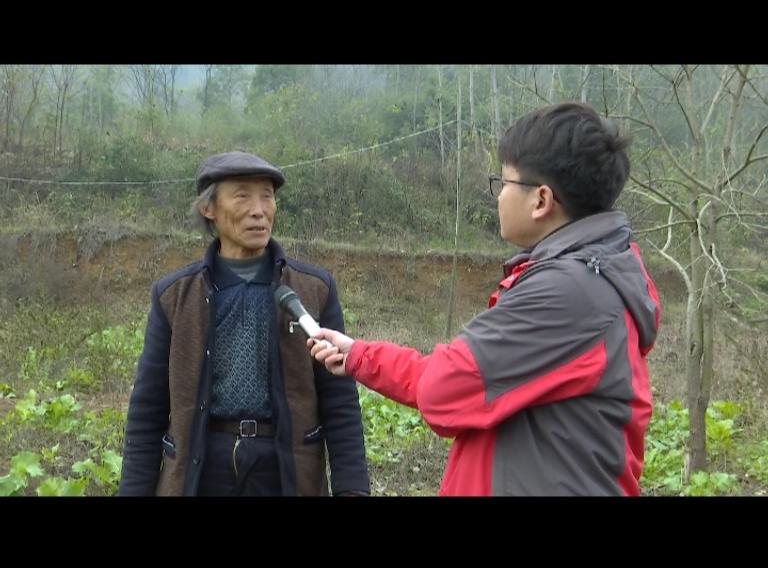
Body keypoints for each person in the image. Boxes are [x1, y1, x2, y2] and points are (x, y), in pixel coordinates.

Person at [309, 103, 661, 496]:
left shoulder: (567, 292)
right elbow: (467, 379)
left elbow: (443, 389)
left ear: (541, 200)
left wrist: (364, 357)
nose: (498, 196)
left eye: (503, 182)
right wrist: (357, 354)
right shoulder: (590, 280)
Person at [119, 151, 369, 496]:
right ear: (209, 209)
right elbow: (148, 408)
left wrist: (352, 490)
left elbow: (339, 403)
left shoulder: (313, 289)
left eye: (267, 196)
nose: (259, 210)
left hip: (286, 468)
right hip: (202, 465)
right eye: (242, 195)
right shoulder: (174, 296)